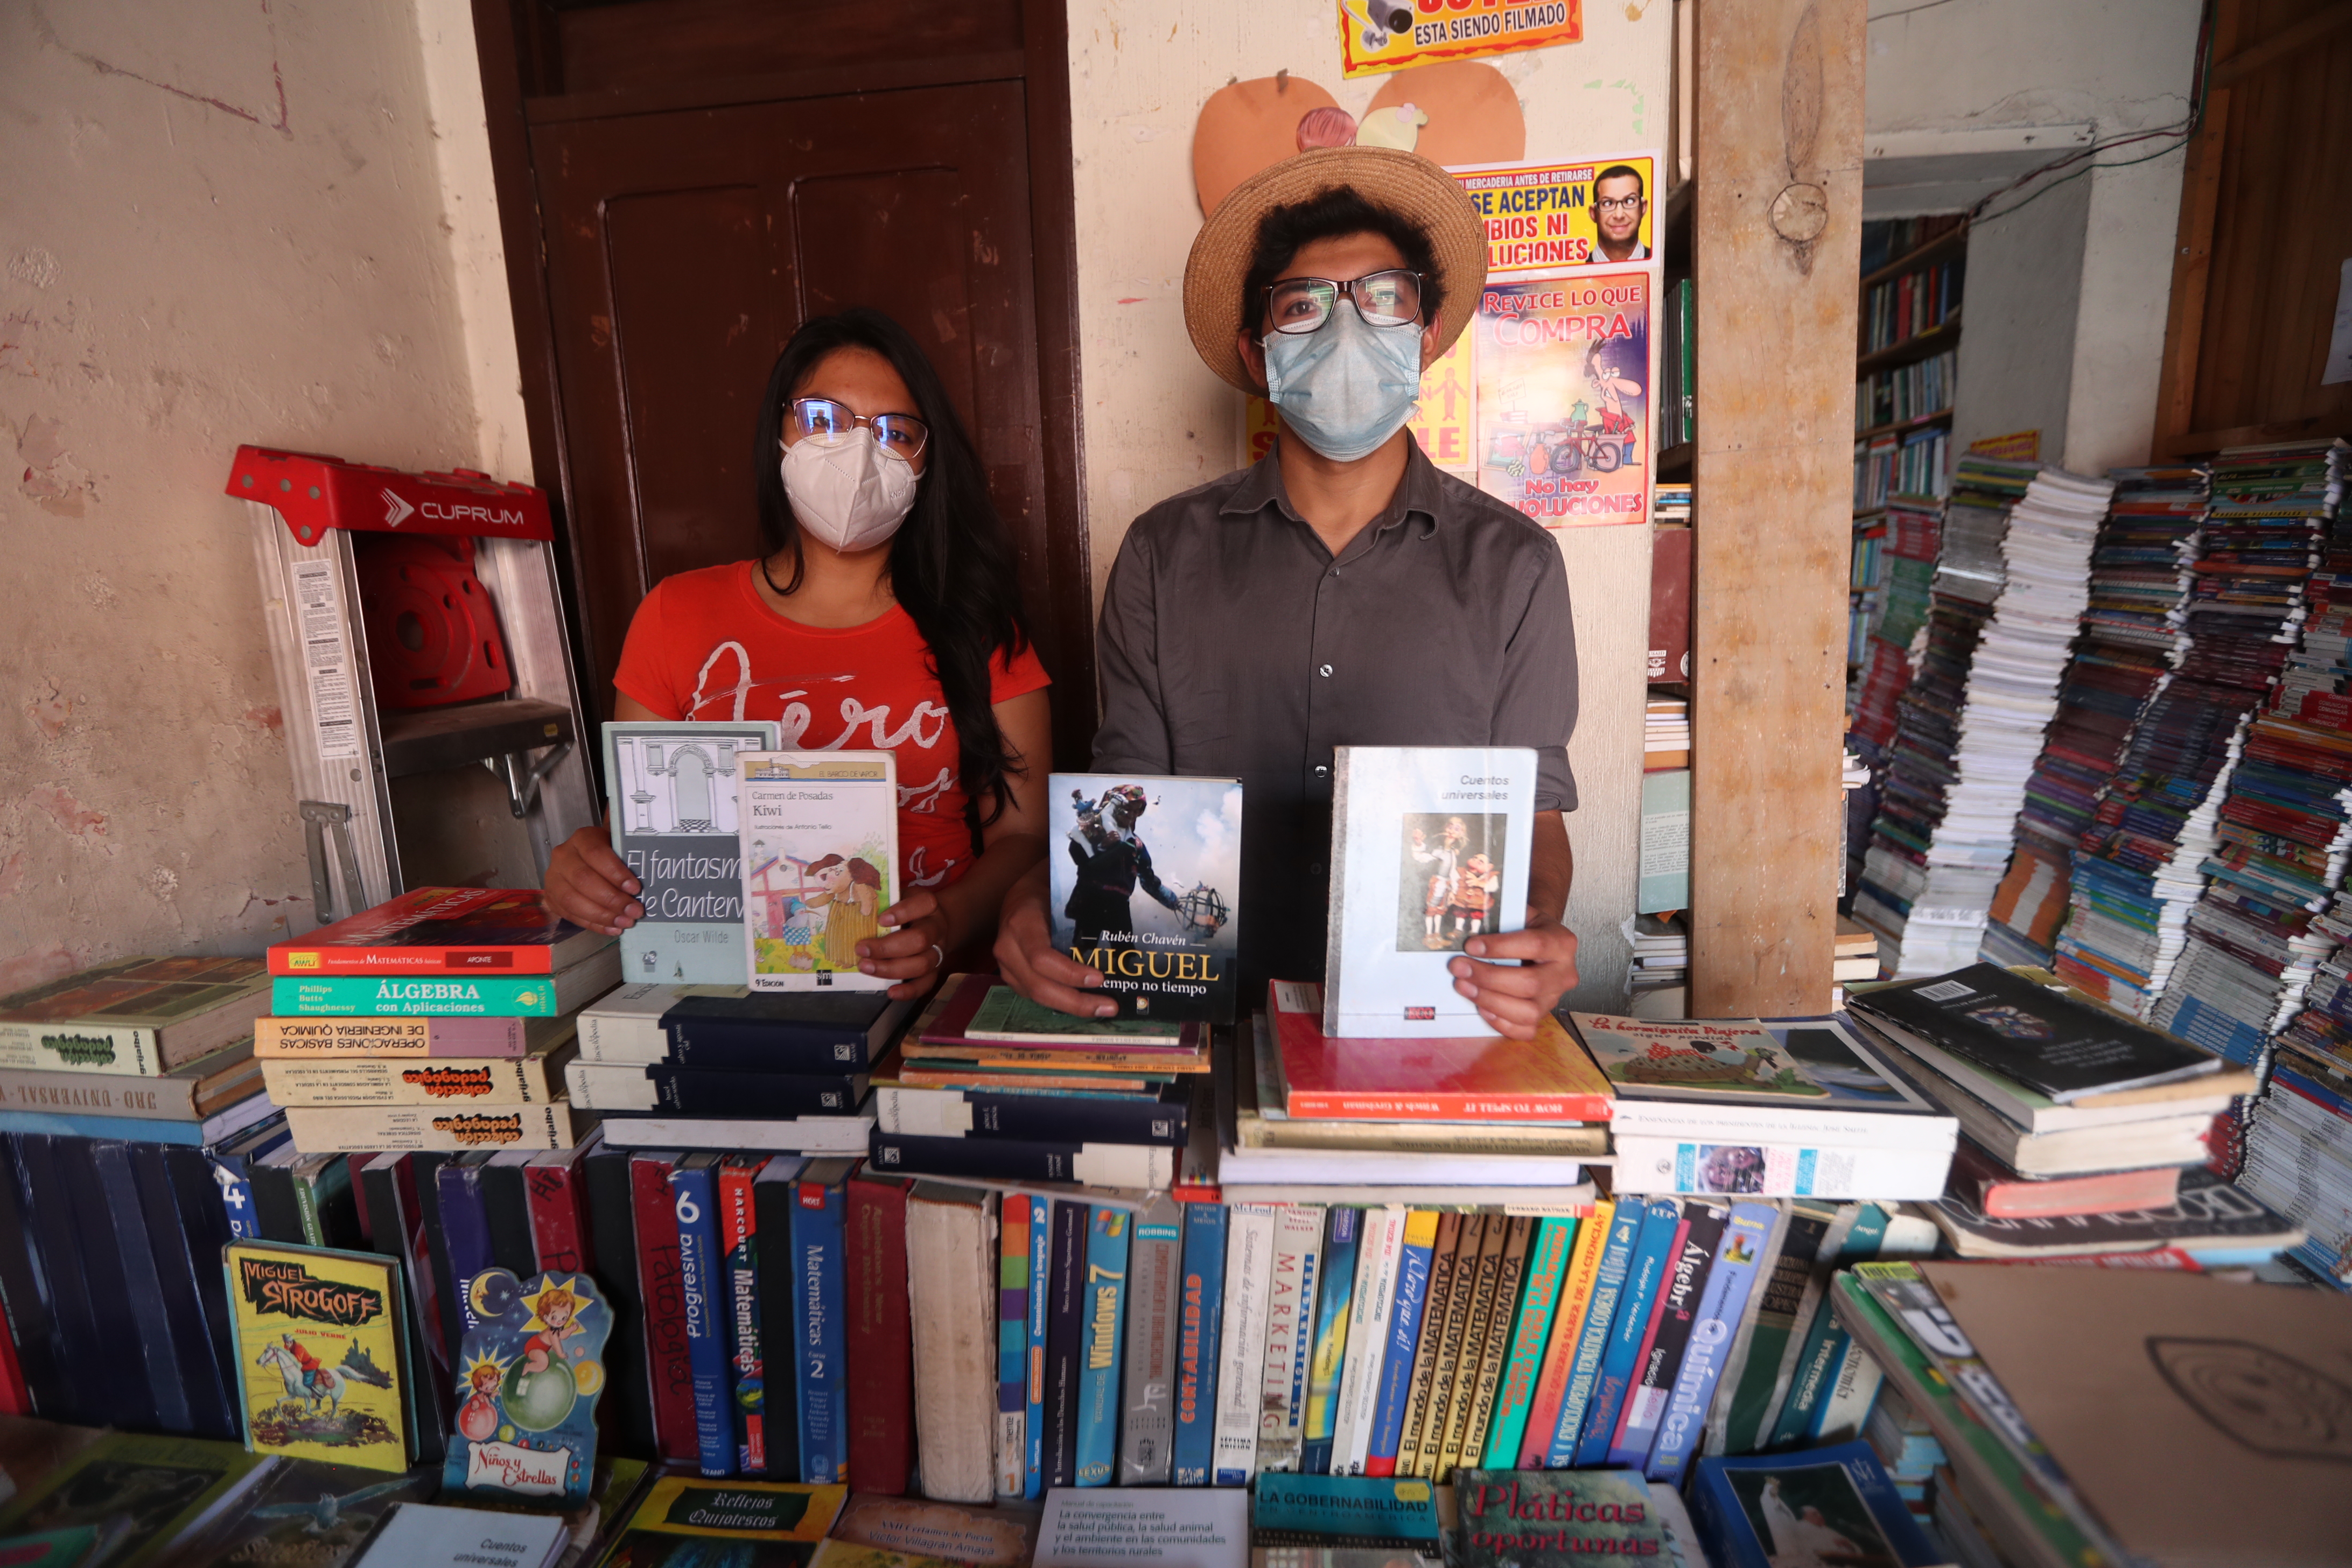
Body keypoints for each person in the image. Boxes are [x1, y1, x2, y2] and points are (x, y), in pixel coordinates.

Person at [996, 146, 1581, 1039]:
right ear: (1257, 352)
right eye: (1304, 307)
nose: (1346, 331)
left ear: (1423, 335)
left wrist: (1535, 926)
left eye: (1382, 297)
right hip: (1202, 1031)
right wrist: (1034, 902)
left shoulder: (1517, 567)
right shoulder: (1160, 555)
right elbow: (1128, 804)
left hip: (1422, 1033)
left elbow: (1530, 814)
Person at [542, 309, 1051, 996]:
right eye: (823, 418)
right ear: (778, 433)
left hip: (924, 993)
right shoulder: (675, 614)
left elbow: (1023, 835)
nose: (858, 452)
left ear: (929, 463)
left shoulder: (981, 624)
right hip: (718, 989)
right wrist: (586, 863)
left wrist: (947, 923)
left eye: (895, 432)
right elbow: (639, 827)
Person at [1591, 163, 1648, 263]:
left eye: (1629, 201)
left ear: (1643, 207)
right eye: (1608, 203)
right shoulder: (1571, 271)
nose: (1619, 215)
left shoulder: (1668, 262)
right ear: (1594, 213)